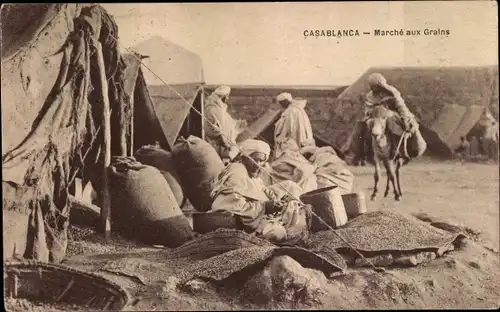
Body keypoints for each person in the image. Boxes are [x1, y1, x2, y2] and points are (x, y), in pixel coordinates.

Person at [210, 139, 311, 244]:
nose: (257, 164)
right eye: (254, 159)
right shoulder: (237, 172)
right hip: (247, 222)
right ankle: (254, 240)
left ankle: (287, 223)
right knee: (278, 233)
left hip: (260, 214)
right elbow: (233, 207)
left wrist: (274, 199)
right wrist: (265, 207)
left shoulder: (253, 173)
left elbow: (261, 190)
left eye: (261, 161)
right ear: (243, 157)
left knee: (290, 186)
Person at [363, 73, 427, 159]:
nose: (374, 88)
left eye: (376, 86)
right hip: (376, 117)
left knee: (409, 124)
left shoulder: (392, 92)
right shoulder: (370, 96)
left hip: (394, 115)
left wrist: (405, 118)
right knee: (365, 127)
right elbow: (367, 110)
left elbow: (401, 107)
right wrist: (374, 112)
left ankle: (407, 148)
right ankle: (366, 153)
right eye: (372, 86)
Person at [204, 85, 244, 161]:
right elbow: (214, 129)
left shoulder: (220, 108)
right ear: (224, 97)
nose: (228, 98)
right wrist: (227, 144)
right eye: (227, 96)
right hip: (216, 145)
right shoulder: (212, 109)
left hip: (225, 144)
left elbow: (226, 123)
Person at [274, 93, 315, 161]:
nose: (280, 105)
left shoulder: (290, 111)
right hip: (301, 136)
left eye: (281, 103)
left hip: (293, 137)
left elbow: (286, 128)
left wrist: (280, 139)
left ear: (284, 102)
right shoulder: (299, 109)